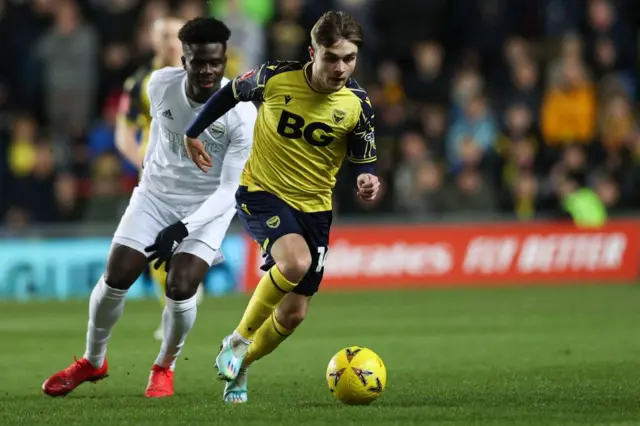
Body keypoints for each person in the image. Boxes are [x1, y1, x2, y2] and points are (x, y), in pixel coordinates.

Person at [42, 17, 257, 399]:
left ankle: (164, 368)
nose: (208, 71)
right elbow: (154, 134)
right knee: (117, 275)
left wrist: (183, 227)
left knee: (181, 283)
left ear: (225, 60)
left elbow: (229, 191)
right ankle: (93, 361)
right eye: (199, 62)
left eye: (216, 63)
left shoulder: (241, 112)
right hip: (155, 197)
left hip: (207, 208)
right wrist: (152, 179)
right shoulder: (157, 85)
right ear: (183, 58)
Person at [183, 10, 380, 404]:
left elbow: (364, 155)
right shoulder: (274, 77)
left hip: (315, 208)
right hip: (262, 191)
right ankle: (237, 341)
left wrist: (367, 178)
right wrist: (193, 131)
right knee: (294, 263)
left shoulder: (357, 103)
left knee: (293, 315)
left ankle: (243, 365)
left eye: (349, 58)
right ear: (313, 52)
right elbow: (228, 92)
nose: (341, 67)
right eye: (332, 57)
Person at [115, 16, 204, 341]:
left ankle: (181, 301)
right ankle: (173, 308)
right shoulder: (140, 82)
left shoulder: (202, 75)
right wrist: (143, 161)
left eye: (174, 35)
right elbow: (124, 133)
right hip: (158, 179)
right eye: (163, 34)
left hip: (197, 176)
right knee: (157, 247)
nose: (169, 41)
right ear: (153, 40)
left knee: (188, 243)